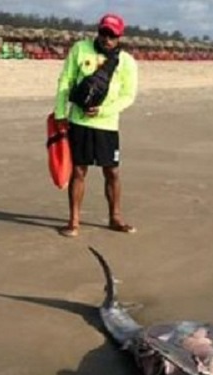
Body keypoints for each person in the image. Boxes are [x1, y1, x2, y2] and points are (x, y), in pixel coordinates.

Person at [53, 13, 139, 237]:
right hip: (78, 121)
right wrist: (61, 113)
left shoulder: (127, 62)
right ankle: (73, 222)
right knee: (79, 170)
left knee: (112, 171)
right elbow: (65, 81)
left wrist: (104, 110)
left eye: (112, 35)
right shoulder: (80, 49)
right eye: (103, 32)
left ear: (120, 36)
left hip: (107, 124)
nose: (106, 38)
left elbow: (129, 95)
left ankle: (115, 218)